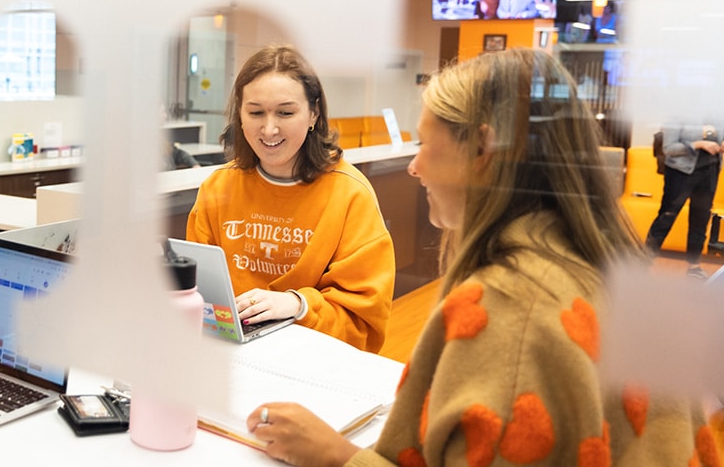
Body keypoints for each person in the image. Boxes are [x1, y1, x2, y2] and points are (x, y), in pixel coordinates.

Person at [245, 49, 718, 466]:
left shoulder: (513, 310)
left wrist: (334, 455)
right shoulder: (604, 267)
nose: (414, 166)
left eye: (427, 144)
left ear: (483, 149)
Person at [185, 45, 395, 352]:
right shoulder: (218, 187)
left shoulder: (350, 194)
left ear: (314, 113)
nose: (269, 129)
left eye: (285, 112)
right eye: (256, 112)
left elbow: (364, 323)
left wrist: (298, 305)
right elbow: (196, 294)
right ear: (240, 116)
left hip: (313, 357)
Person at [645, 119, 724, 279]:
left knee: (700, 220)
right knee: (666, 217)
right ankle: (642, 262)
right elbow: (668, 148)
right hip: (680, 174)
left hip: (710, 172)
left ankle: (694, 267)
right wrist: (699, 144)